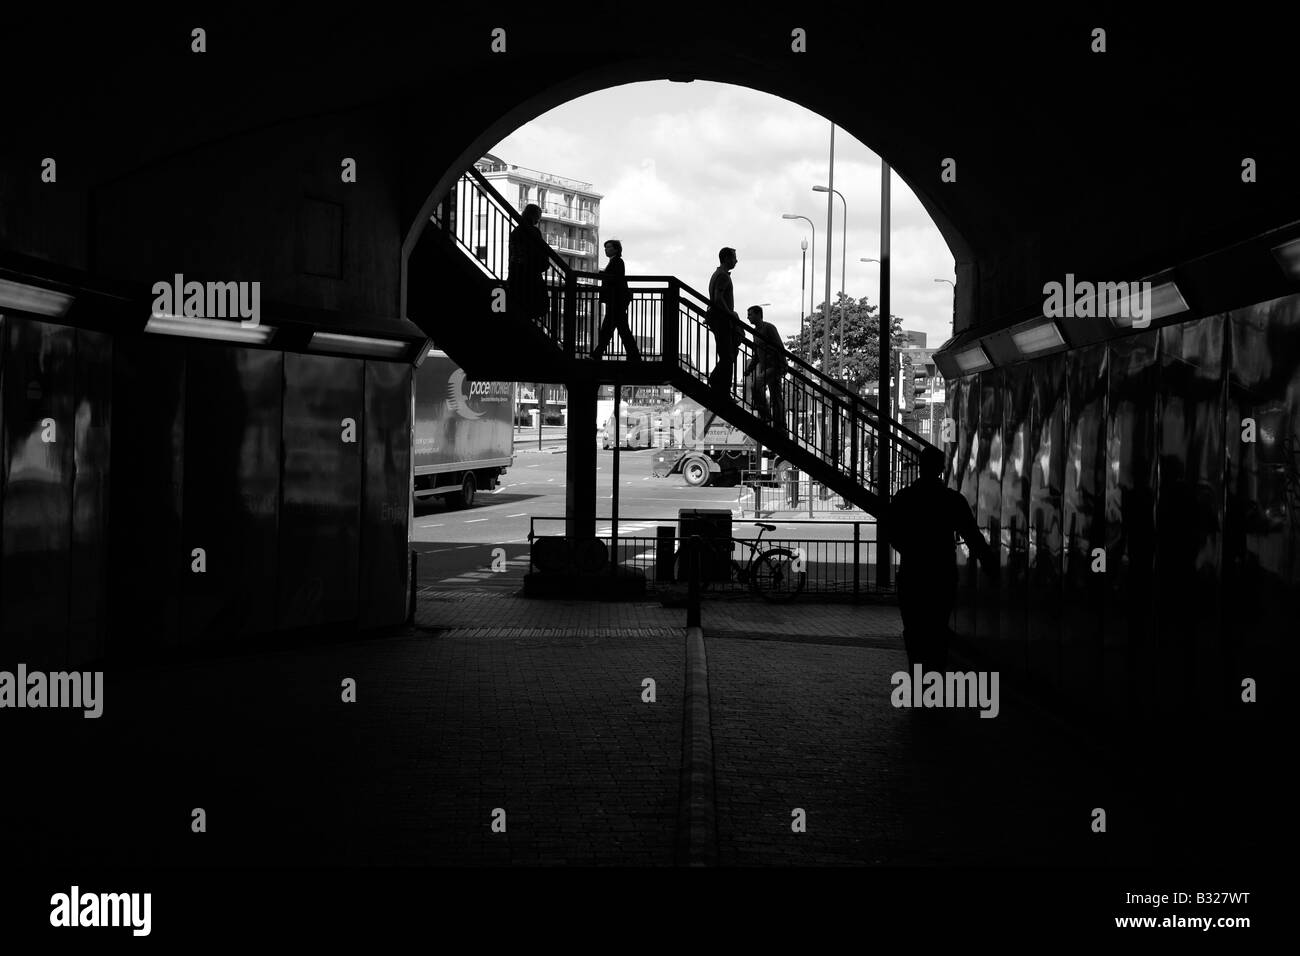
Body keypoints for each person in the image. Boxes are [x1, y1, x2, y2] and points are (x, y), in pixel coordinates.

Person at [883, 446, 998, 672]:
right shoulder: (952, 500)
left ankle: (919, 680)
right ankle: (935, 679)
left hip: (912, 574)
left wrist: (908, 549)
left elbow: (890, 530)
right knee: (938, 630)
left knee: (914, 631)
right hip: (942, 575)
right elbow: (972, 536)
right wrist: (989, 563)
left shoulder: (904, 498)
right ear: (941, 470)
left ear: (919, 467)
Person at [591, 239, 640, 361]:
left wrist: (602, 275)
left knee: (608, 330)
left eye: (608, 247)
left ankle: (597, 355)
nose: (606, 249)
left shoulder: (617, 262)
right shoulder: (616, 262)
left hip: (615, 301)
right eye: (605, 247)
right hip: (616, 302)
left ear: (616, 249)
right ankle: (634, 356)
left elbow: (614, 279)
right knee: (621, 330)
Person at [705, 247, 742, 392]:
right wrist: (730, 314)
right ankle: (721, 387)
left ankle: (717, 382)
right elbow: (718, 297)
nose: (736, 261)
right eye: (734, 257)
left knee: (727, 355)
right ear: (726, 258)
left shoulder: (717, 274)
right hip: (722, 321)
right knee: (728, 356)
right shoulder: (723, 276)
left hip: (718, 319)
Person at [743, 305, 786, 427]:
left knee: (757, 385)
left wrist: (783, 364)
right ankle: (779, 422)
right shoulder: (755, 332)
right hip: (766, 367)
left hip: (775, 365)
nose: (748, 317)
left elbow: (779, 346)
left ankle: (767, 415)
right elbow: (757, 353)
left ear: (758, 315)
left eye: (750, 314)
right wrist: (750, 368)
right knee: (776, 395)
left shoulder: (769, 328)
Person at [508, 204, 550, 327]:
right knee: (538, 304)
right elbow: (539, 253)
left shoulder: (515, 231)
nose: (539, 219)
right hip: (530, 276)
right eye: (538, 216)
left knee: (519, 306)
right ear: (534, 215)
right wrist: (543, 264)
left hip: (516, 274)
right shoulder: (533, 231)